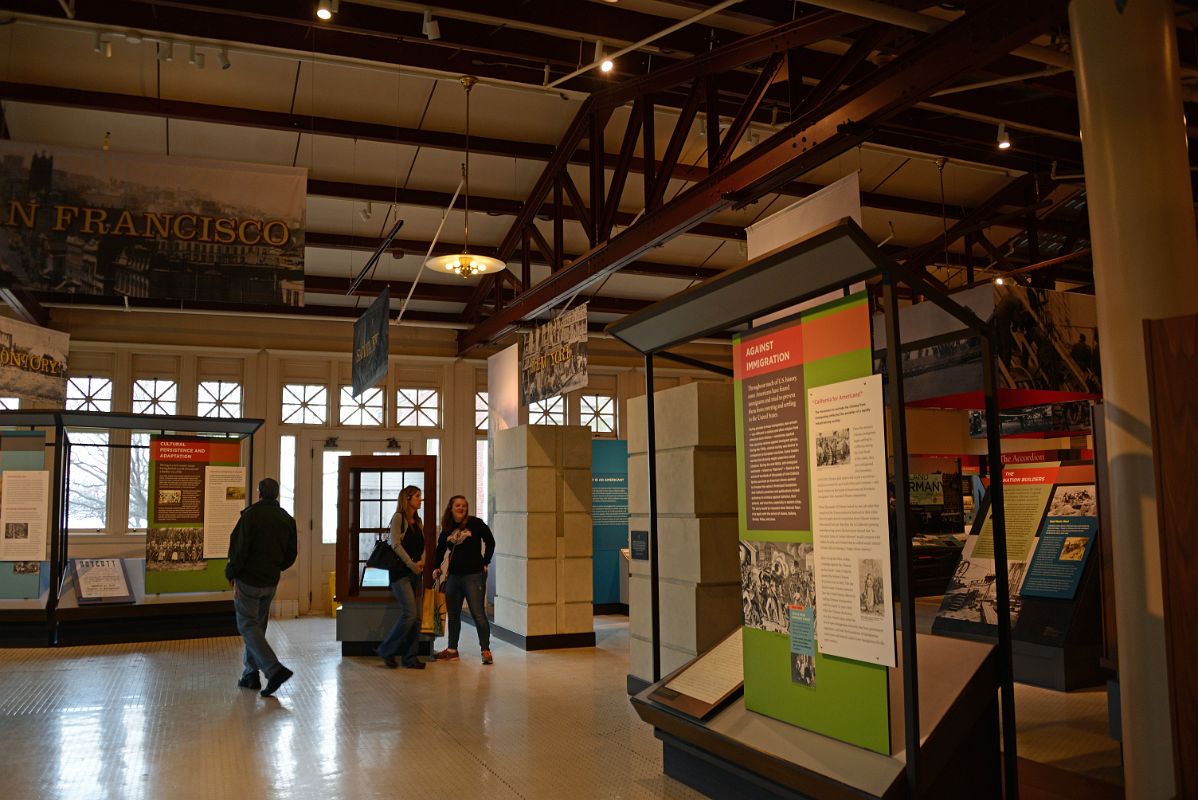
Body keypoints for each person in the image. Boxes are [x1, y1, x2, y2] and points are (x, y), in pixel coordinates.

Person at [225, 477, 298, 697]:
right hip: (270, 582)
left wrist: (232, 573)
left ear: (259, 493)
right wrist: (276, 568)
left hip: (248, 581)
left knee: (248, 626)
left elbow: (240, 549)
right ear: (276, 495)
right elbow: (291, 554)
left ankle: (273, 669)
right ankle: (250, 674)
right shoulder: (287, 519)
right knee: (257, 628)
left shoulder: (251, 515)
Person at [433, 495, 496, 665]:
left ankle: (485, 650)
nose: (461, 508)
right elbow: (440, 549)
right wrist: (436, 567)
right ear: (451, 508)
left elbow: (490, 541)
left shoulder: (475, 523)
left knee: (478, 614)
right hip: (453, 576)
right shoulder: (447, 528)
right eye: (457, 505)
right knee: (453, 614)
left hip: (474, 576)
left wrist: (485, 562)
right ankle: (452, 650)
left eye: (464, 505)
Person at [378, 485, 426, 670]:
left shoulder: (418, 521)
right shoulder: (399, 518)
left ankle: (410, 657)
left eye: (420, 496)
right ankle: (387, 650)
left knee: (417, 618)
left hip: (416, 573)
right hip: (402, 573)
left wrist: (422, 561)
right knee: (410, 614)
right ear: (407, 499)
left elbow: (424, 545)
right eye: (417, 496)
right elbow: (395, 545)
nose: (419, 500)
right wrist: (412, 565)